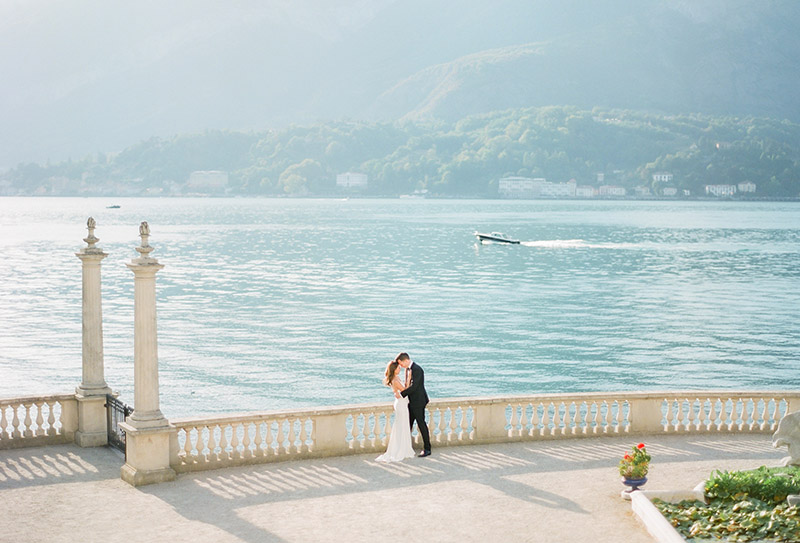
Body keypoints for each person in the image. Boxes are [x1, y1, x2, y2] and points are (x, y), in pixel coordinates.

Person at [375, 356, 416, 462]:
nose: (400, 369)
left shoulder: (397, 378)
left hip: (402, 403)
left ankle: (404, 447)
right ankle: (401, 448)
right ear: (394, 369)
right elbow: (405, 390)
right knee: (401, 425)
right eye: (398, 368)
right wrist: (409, 378)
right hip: (401, 404)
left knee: (403, 425)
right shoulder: (395, 379)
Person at [397, 352, 431, 457]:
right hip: (410, 401)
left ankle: (427, 448)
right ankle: (405, 446)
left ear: (406, 360)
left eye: (401, 363)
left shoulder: (417, 369)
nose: (401, 366)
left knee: (421, 424)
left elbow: (415, 386)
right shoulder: (408, 370)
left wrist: (401, 394)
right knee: (408, 424)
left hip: (418, 401)